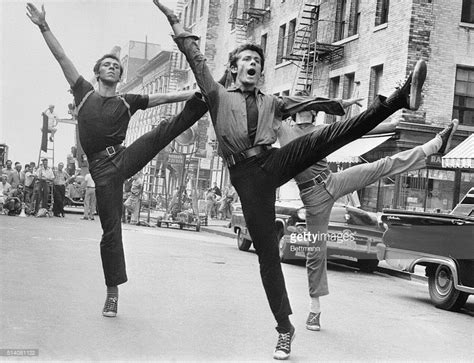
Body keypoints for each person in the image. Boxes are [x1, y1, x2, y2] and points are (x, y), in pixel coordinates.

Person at [154, 1, 427, 358]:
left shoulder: (272, 101)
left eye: (257, 62)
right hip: (246, 180)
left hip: (274, 161)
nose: (253, 65)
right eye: (246, 61)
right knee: (268, 256)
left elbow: (306, 101)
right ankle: (285, 328)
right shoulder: (217, 95)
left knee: (326, 138)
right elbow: (195, 58)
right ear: (234, 69)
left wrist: (337, 105)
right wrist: (175, 20)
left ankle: (398, 98)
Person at [27, 2, 227, 319]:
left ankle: (209, 95)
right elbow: (62, 57)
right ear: (97, 72)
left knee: (162, 131)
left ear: (120, 74)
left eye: (116, 66)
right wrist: (43, 26)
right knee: (111, 232)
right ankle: (112, 293)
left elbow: (162, 98)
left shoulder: (127, 100)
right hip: (102, 172)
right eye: (106, 64)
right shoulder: (84, 93)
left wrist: (194, 93)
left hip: (123, 158)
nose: (112, 67)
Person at [278, 92, 459, 332]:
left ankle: (435, 144)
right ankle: (315, 309)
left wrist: (347, 105)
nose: (307, 112)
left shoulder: (320, 129)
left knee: (379, 166)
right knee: (315, 251)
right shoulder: (283, 129)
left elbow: (356, 130)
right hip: (313, 198)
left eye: (311, 108)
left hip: (333, 180)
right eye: (303, 107)